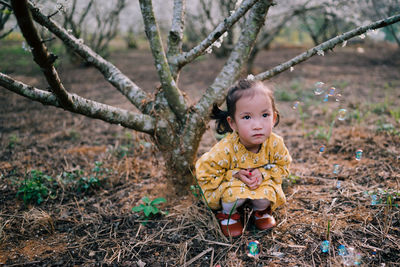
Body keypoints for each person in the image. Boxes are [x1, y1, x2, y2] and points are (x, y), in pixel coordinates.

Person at [195, 79, 291, 237]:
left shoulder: (275, 144)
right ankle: (229, 215)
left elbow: (284, 166)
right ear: (233, 123)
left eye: (265, 115)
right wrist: (235, 174)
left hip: (260, 184)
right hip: (234, 186)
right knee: (233, 198)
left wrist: (263, 173)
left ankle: (260, 211)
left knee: (265, 196)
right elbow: (205, 170)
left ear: (273, 118)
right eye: (247, 117)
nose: (257, 125)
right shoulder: (225, 148)